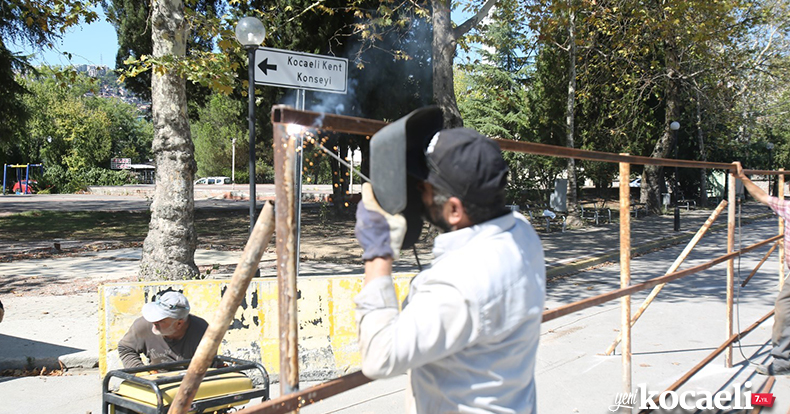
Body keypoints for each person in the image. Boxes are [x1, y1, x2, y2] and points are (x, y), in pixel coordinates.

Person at [354, 127, 546, 413]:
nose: (420, 194)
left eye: (425, 189)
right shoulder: (521, 232)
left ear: (455, 210)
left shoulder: (462, 283)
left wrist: (378, 251)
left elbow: (378, 357)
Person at [735, 161, 790, 375]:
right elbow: (763, 197)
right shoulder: (787, 208)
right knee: (784, 311)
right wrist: (743, 178)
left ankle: (783, 360)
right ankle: (783, 360)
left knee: (785, 310)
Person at [117, 291, 209, 369]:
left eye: (161, 320)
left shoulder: (201, 331)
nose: (154, 322)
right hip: (155, 381)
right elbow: (125, 348)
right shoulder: (144, 324)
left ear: (179, 323)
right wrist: (139, 371)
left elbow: (205, 366)